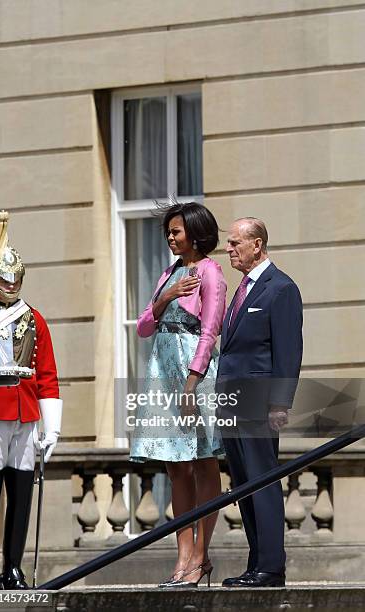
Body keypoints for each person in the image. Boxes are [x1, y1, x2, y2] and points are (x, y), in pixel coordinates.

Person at [130, 201, 227, 588]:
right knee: (174, 465)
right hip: (161, 370)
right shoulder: (168, 274)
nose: (170, 237)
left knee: (203, 461)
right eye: (168, 232)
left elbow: (210, 331)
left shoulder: (212, 273)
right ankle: (183, 556)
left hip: (194, 371)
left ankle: (201, 556)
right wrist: (167, 296)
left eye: (176, 231)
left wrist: (192, 382)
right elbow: (143, 327)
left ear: (196, 233)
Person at [217, 217, 303, 588]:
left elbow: (288, 351)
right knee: (243, 484)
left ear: (258, 244)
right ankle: (256, 564)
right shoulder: (243, 290)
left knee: (263, 481)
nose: (229, 248)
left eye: (236, 242)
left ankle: (271, 566)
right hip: (232, 402)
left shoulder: (280, 288)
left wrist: (280, 403)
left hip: (259, 403)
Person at [0, 211, 62, 590]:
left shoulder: (35, 319)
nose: (11, 284)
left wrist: (54, 425)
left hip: (26, 414)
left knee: (20, 491)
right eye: (4, 278)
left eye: (16, 278)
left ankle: (11, 566)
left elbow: (47, 374)